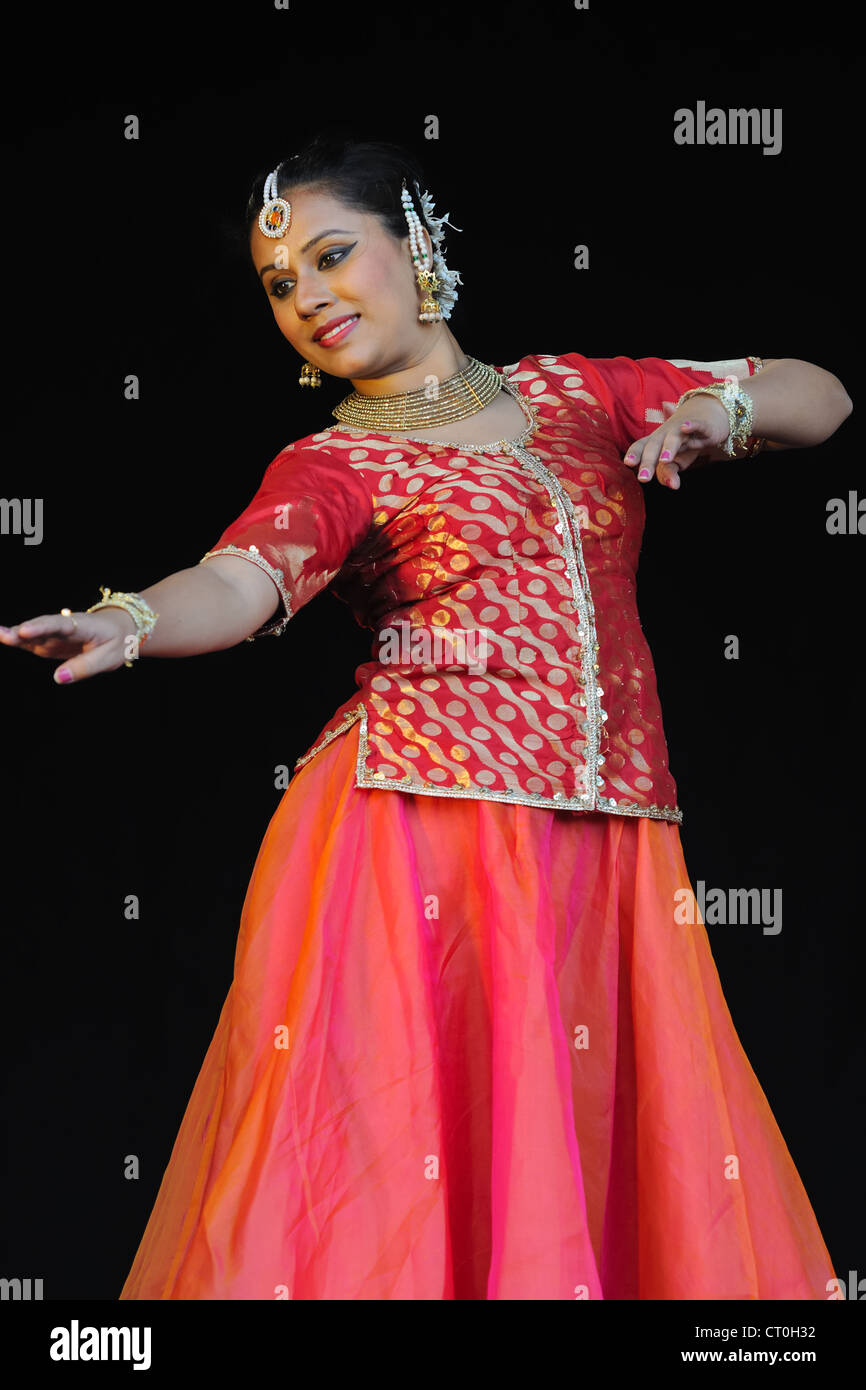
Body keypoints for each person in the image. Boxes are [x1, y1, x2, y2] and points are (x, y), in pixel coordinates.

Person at [0, 135, 852, 1301]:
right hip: (415, 833)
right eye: (280, 286)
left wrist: (716, 408)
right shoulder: (333, 461)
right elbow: (245, 578)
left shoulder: (574, 394)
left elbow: (823, 395)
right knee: (391, 1190)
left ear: (419, 241)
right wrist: (135, 617)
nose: (308, 298)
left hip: (606, 839)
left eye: (332, 256)